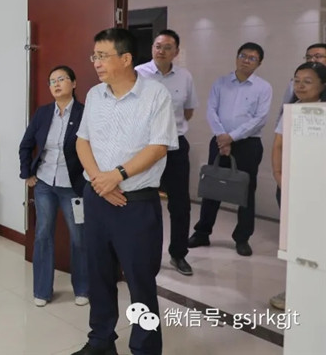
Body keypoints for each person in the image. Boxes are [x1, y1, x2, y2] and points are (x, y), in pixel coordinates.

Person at [71, 28, 177, 355]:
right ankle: (100, 341)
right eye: (94, 56)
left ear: (126, 58)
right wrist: (100, 181)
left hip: (136, 203)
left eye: (103, 56)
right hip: (97, 198)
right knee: (98, 275)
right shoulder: (94, 95)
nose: (96, 63)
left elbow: (159, 146)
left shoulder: (155, 94)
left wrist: (116, 176)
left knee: (140, 281)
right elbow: (82, 141)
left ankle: (145, 348)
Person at [189, 42, 272, 257]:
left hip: (248, 144)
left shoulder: (263, 87)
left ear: (259, 63)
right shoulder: (221, 82)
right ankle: (202, 232)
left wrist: (231, 137)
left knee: (246, 190)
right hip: (219, 141)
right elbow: (211, 110)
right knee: (212, 186)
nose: (246, 61)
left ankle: (242, 238)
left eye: (252, 58)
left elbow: (260, 118)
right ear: (236, 57)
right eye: (243, 56)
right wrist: (222, 137)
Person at [18, 65, 88, 308]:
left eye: (61, 79)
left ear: (74, 83)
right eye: (52, 81)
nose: (56, 84)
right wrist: (27, 173)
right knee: (42, 235)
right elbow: (26, 144)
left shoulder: (84, 113)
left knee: (79, 237)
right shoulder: (43, 113)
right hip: (45, 183)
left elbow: (95, 148)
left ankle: (82, 288)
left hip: (74, 186)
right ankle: (42, 290)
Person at [135, 30, 198, 276]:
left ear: (176, 52)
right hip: (146, 146)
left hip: (175, 145)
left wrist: (170, 128)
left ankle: (178, 254)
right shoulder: (139, 73)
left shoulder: (185, 76)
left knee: (180, 203)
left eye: (167, 47)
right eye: (157, 46)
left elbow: (188, 111)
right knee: (144, 201)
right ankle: (145, 253)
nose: (161, 50)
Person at [268, 62, 326, 310]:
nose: (300, 86)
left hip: (319, 188)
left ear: (323, 85)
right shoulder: (291, 110)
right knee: (297, 243)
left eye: (307, 81)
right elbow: (278, 145)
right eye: (296, 80)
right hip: (293, 186)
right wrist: (279, 175)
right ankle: (297, 288)